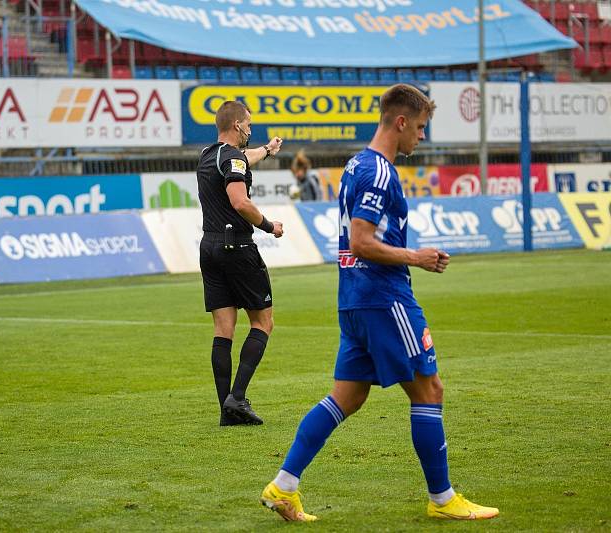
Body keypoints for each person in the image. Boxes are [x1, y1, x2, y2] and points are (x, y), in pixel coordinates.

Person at [259, 84, 499, 521]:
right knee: (429, 389)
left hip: (353, 299)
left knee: (347, 397)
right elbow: (362, 240)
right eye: (421, 128)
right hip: (383, 298)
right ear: (401, 122)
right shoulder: (380, 172)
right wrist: (417, 258)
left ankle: (284, 486)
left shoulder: (355, 164)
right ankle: (443, 500)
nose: (422, 138)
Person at [197, 100, 284, 426]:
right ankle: (238, 397)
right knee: (263, 322)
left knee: (223, 329)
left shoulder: (210, 155)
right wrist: (269, 225)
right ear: (236, 126)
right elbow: (240, 201)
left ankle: (227, 409)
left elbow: (243, 160)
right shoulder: (233, 159)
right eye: (248, 123)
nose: (250, 128)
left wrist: (268, 150)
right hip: (238, 247)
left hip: (209, 247)